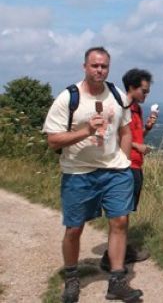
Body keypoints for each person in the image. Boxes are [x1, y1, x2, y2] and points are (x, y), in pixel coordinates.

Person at [43, 47, 143, 303]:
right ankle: (72, 278)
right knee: (74, 228)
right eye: (94, 65)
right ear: (85, 67)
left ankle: (117, 281)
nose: (99, 70)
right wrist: (86, 131)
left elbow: (125, 131)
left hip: (115, 171)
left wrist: (123, 162)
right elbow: (53, 141)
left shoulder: (117, 95)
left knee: (120, 221)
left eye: (104, 66)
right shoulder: (69, 98)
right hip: (78, 172)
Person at [99, 68, 156, 271]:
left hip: (136, 165)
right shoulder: (119, 107)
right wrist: (137, 146)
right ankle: (112, 257)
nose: (146, 94)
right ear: (132, 87)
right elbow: (111, 136)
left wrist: (147, 129)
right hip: (125, 165)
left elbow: (135, 136)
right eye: (144, 90)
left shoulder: (136, 109)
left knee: (126, 212)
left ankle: (121, 251)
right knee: (120, 214)